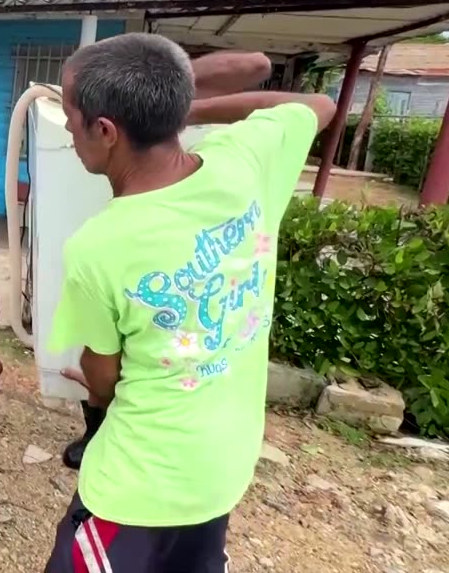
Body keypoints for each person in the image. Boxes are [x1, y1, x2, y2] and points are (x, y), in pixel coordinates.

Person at [41, 33, 336, 573]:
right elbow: (317, 106)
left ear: (105, 131)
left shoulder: (97, 246)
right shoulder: (244, 161)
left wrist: (101, 385)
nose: (65, 127)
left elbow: (102, 379)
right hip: (221, 473)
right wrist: (182, 106)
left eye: (70, 114)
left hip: (135, 487)